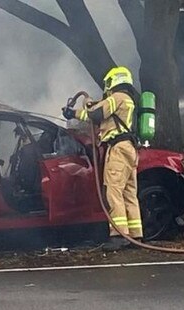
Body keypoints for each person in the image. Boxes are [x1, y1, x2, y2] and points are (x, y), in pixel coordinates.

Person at [63, 66, 142, 251]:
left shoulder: (117, 98)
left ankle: (118, 235)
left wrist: (81, 108)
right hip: (129, 149)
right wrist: (79, 111)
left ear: (114, 81)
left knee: (113, 191)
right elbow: (96, 116)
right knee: (129, 193)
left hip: (118, 149)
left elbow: (96, 114)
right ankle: (136, 235)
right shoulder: (128, 100)